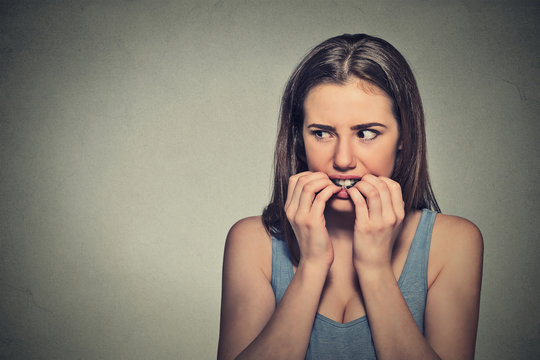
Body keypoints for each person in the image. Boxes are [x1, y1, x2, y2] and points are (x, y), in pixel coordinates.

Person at [217, 34, 483, 360]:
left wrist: (374, 268)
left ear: (404, 137)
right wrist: (313, 266)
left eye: (366, 133)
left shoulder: (453, 243)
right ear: (299, 140)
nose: (343, 159)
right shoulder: (251, 242)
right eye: (322, 133)